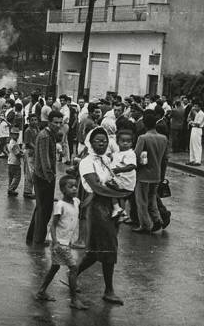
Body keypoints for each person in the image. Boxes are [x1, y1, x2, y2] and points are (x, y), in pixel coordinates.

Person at [76, 127, 129, 305]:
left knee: (103, 248)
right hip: (97, 206)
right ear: (90, 142)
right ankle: (108, 290)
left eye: (105, 140)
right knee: (103, 248)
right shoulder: (86, 162)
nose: (102, 143)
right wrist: (122, 194)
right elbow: (97, 187)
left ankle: (75, 274)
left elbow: (111, 180)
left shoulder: (106, 160)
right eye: (98, 140)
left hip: (110, 205)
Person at [35, 175, 87, 310]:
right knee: (74, 268)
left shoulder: (76, 201)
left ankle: (41, 291)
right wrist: (56, 242)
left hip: (65, 242)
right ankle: (74, 300)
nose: (75, 188)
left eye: (76, 186)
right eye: (71, 187)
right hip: (59, 243)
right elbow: (53, 225)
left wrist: (95, 193)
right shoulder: (60, 205)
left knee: (55, 267)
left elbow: (85, 204)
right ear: (63, 189)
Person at [26, 110, 63, 246]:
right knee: (44, 210)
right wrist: (50, 177)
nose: (58, 125)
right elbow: (44, 159)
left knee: (40, 208)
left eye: (60, 122)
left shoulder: (49, 135)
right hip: (43, 177)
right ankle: (38, 239)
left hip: (44, 176)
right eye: (55, 122)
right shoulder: (45, 136)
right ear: (49, 122)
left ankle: (32, 236)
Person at [133, 113, 168, 233]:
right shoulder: (163, 138)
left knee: (141, 201)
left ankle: (145, 225)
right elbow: (165, 158)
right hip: (157, 174)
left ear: (144, 124)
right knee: (152, 199)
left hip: (143, 175)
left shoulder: (143, 138)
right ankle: (157, 219)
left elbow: (136, 156)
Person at [109, 129, 137, 219]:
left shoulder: (130, 153)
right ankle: (122, 211)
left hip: (125, 180)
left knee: (107, 186)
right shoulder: (117, 153)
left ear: (132, 143)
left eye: (128, 141)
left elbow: (132, 166)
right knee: (119, 196)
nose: (125, 143)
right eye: (123, 141)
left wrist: (120, 170)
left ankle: (117, 208)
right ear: (117, 142)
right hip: (120, 178)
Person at [22, 114, 39, 199]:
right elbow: (28, 143)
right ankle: (27, 191)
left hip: (34, 152)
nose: (34, 122)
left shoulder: (36, 129)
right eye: (32, 120)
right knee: (29, 172)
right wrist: (36, 148)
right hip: (29, 152)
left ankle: (30, 190)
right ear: (29, 121)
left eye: (36, 120)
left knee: (33, 172)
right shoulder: (28, 130)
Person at [7, 127, 23, 196]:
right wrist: (23, 155)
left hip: (10, 162)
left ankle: (10, 188)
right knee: (17, 177)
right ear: (11, 135)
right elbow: (17, 154)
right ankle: (11, 189)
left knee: (11, 177)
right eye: (15, 134)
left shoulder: (12, 142)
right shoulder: (14, 144)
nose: (16, 136)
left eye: (17, 134)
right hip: (15, 163)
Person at [188, 102, 204, 166]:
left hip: (198, 129)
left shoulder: (201, 114)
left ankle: (197, 161)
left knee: (197, 145)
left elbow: (198, 123)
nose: (195, 108)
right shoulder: (197, 113)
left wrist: (191, 122)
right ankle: (192, 160)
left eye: (196, 106)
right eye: (194, 106)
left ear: (199, 107)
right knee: (192, 144)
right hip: (194, 129)